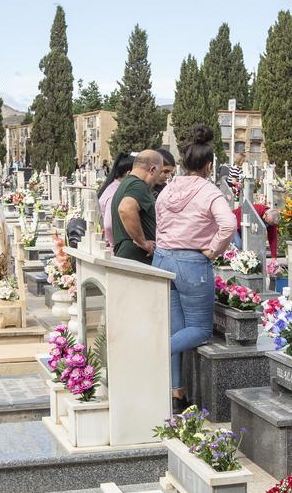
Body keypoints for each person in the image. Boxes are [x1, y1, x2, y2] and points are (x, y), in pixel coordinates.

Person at [152, 125, 236, 408]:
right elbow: (228, 224)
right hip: (190, 262)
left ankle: (176, 390)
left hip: (162, 259)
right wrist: (213, 250)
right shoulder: (209, 191)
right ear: (209, 165)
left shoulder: (168, 188)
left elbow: (159, 216)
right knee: (199, 330)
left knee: (177, 329)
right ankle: (149, 356)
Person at [112, 149, 163, 264]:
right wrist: (143, 242)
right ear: (153, 169)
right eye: (159, 173)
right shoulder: (138, 186)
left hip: (129, 256)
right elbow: (125, 209)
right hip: (137, 258)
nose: (158, 179)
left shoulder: (126, 183)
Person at [97, 154, 134, 248]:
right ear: (128, 173)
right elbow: (109, 225)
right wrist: (115, 245)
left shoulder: (112, 186)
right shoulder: (115, 193)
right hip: (111, 248)